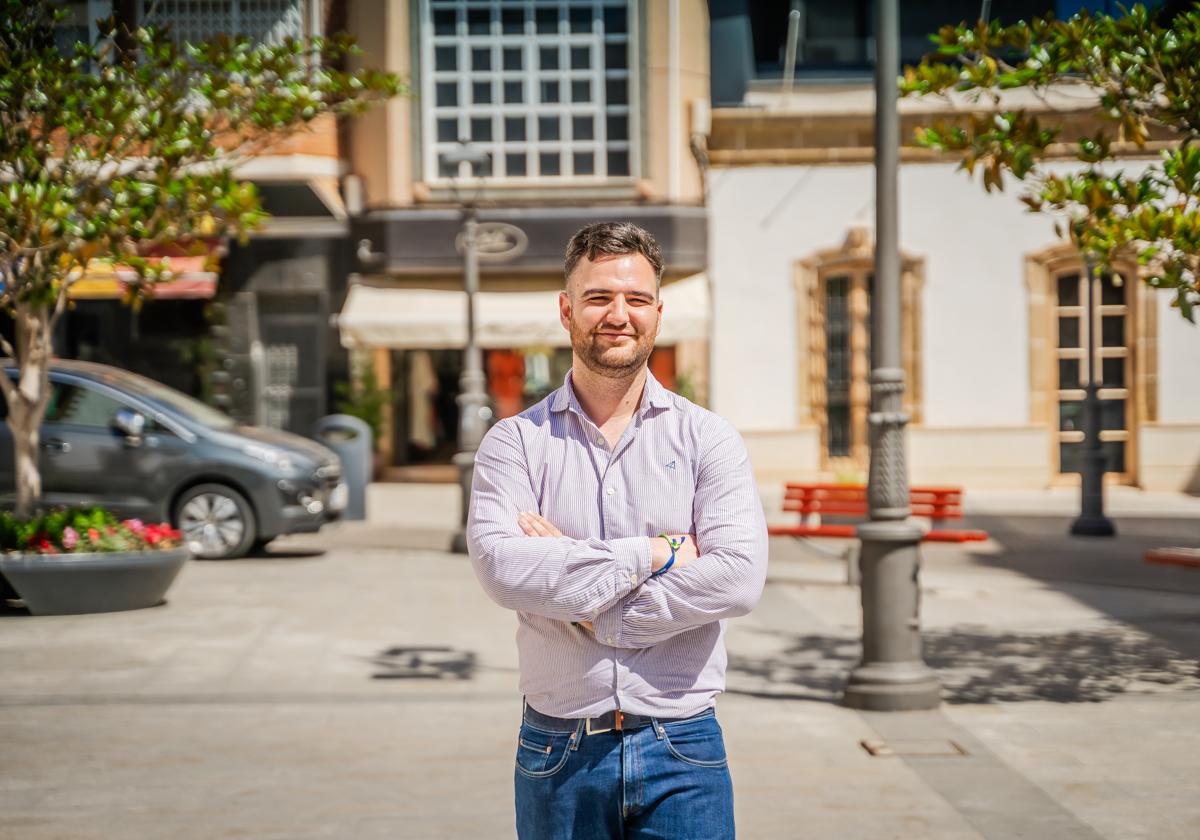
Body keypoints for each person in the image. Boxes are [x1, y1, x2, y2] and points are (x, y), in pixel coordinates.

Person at [467, 221, 768, 839]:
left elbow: (737, 578)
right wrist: (661, 552)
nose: (617, 314)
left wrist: (590, 604)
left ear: (658, 312)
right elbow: (504, 570)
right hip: (558, 748)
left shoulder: (707, 438)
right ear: (566, 309)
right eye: (599, 297)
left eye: (635, 299)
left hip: (682, 743)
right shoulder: (515, 444)